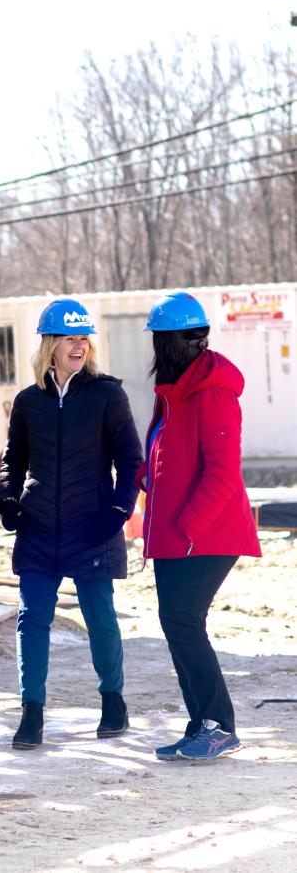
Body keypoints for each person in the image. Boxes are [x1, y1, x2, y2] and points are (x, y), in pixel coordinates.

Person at [0, 298, 142, 750]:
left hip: (91, 526)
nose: (78, 345)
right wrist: (7, 499)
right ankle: (31, 712)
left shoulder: (107, 395)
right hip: (39, 527)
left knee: (100, 618)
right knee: (31, 619)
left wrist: (118, 512)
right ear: (50, 345)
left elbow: (132, 462)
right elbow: (13, 462)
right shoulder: (27, 402)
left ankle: (113, 702)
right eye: (69, 338)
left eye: (84, 338)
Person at [136, 291, 260, 761]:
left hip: (204, 535)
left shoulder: (213, 392)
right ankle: (202, 724)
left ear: (168, 343)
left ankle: (219, 725)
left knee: (182, 619)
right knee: (177, 621)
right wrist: (144, 474)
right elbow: (169, 451)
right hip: (175, 537)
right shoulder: (175, 391)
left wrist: (188, 527)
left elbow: (224, 473)